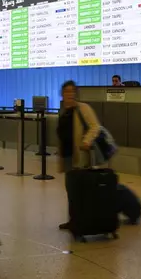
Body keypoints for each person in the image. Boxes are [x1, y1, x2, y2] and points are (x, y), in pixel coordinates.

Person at [56, 80, 101, 230]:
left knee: (80, 189)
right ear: (62, 94)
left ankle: (82, 220)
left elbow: (95, 126)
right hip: (67, 155)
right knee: (71, 189)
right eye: (66, 91)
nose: (69, 94)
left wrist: (87, 141)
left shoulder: (83, 108)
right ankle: (73, 220)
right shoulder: (63, 110)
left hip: (80, 155)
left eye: (72, 91)